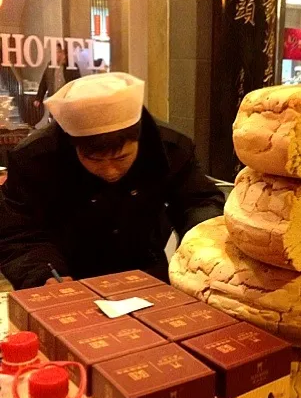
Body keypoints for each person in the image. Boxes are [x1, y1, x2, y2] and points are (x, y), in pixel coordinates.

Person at [0, 73, 225, 289]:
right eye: (95, 160)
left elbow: (199, 203)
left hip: (146, 273)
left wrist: (201, 252)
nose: (110, 171)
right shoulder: (34, 158)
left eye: (121, 158)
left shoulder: (170, 147)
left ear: (138, 138)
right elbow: (18, 231)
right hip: (65, 278)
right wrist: (42, 274)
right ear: (73, 145)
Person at [34, 43, 81, 109]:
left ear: (62, 53)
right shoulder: (50, 65)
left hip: (66, 102)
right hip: (53, 101)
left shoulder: (72, 66)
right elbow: (44, 82)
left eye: (56, 52)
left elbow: (77, 84)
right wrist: (38, 98)